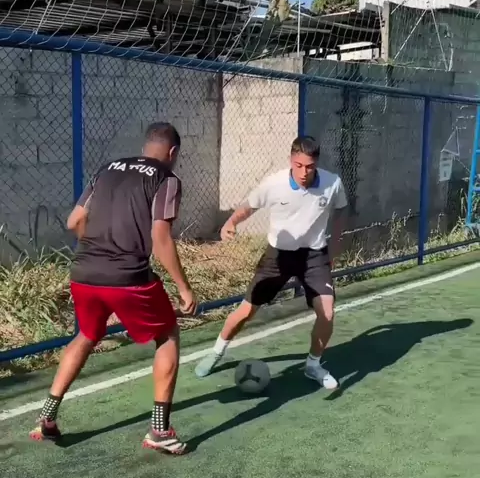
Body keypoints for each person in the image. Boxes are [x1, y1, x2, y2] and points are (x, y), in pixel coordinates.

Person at [29, 122, 197, 455]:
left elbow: (74, 221)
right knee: (167, 335)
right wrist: (184, 287)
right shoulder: (166, 178)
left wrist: (96, 251)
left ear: (146, 146)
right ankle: (159, 430)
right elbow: (160, 238)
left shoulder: (107, 169)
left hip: (84, 272)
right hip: (127, 278)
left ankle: (46, 417)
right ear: (173, 152)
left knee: (87, 335)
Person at [195, 135, 347, 389]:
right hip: (278, 256)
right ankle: (217, 352)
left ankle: (313, 365)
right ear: (291, 160)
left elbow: (341, 211)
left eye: (309, 167)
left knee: (327, 312)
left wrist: (336, 248)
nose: (304, 172)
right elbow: (249, 206)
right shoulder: (274, 184)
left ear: (317, 163)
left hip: (314, 256)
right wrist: (231, 222)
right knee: (246, 311)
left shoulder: (333, 183)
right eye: (298, 165)